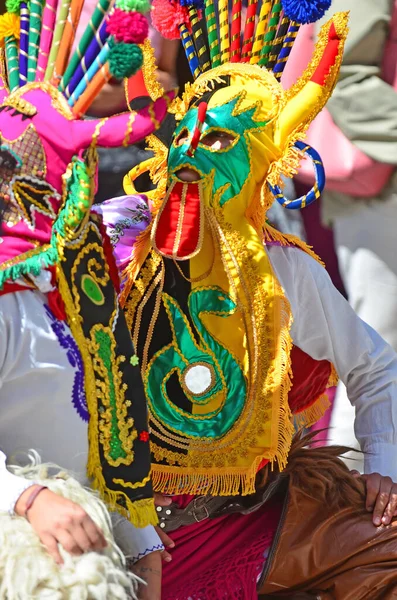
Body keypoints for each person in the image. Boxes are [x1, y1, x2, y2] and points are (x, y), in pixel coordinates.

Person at [99, 1, 397, 597]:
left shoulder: (285, 270)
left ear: (262, 164)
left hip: (244, 529)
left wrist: (383, 467)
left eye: (216, 140)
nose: (187, 154)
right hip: (112, 530)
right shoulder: (113, 237)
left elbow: (374, 365)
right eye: (183, 134)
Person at [0, 1, 173, 597]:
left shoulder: (84, 288)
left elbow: (109, 424)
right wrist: (28, 498)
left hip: (88, 543)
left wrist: (140, 539)